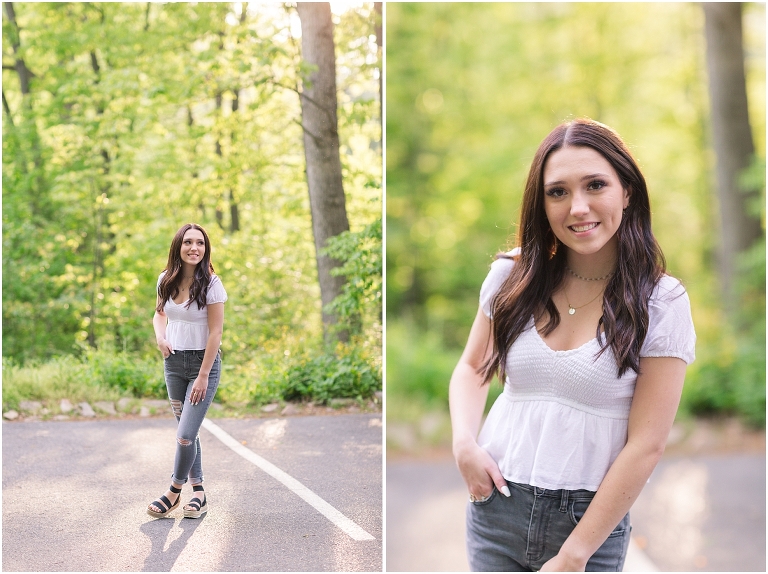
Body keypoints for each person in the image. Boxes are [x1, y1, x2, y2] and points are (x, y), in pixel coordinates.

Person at [449, 118, 695, 572]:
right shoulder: (511, 275)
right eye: (557, 192)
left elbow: (647, 444)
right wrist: (464, 443)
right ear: (541, 204)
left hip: (590, 524)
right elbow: (471, 368)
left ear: (627, 191)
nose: (577, 207)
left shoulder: (662, 301)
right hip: (496, 509)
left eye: (595, 185)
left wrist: (574, 554)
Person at [147, 223, 227, 519]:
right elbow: (159, 314)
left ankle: (173, 492)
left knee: (183, 435)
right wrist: (160, 337)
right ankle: (200, 494)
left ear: (206, 250)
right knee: (187, 432)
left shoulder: (212, 284)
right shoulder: (165, 280)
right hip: (174, 364)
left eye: (201, 243)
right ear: (178, 246)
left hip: (202, 365)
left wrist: (204, 374)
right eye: (189, 242)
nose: (195, 248)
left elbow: (215, 333)